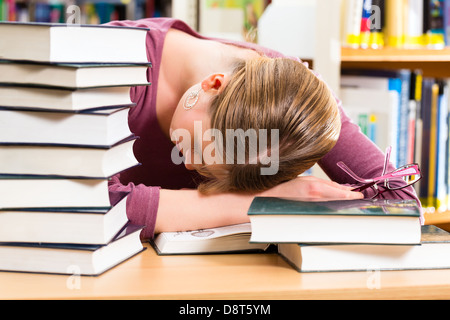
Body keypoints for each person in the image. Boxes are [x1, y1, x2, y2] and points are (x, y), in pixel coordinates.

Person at [107, 18, 419, 239]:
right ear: (214, 84)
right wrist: (261, 202)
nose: (187, 165)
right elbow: (88, 207)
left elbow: (400, 202)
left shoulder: (290, 95)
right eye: (202, 150)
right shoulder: (111, 64)